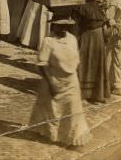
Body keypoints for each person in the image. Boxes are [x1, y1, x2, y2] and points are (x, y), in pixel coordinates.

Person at [29, 17, 91, 148]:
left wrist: (77, 77)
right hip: (52, 80)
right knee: (51, 111)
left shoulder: (72, 39)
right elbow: (42, 64)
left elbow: (76, 59)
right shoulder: (48, 41)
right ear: (53, 26)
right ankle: (48, 134)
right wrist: (51, 83)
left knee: (74, 109)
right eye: (59, 25)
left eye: (66, 26)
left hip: (71, 81)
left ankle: (73, 139)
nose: (63, 29)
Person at [76, 0, 111, 103]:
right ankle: (85, 95)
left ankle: (97, 95)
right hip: (88, 36)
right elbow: (86, 23)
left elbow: (102, 20)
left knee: (96, 64)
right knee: (86, 63)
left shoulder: (96, 5)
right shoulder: (82, 6)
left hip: (98, 37)